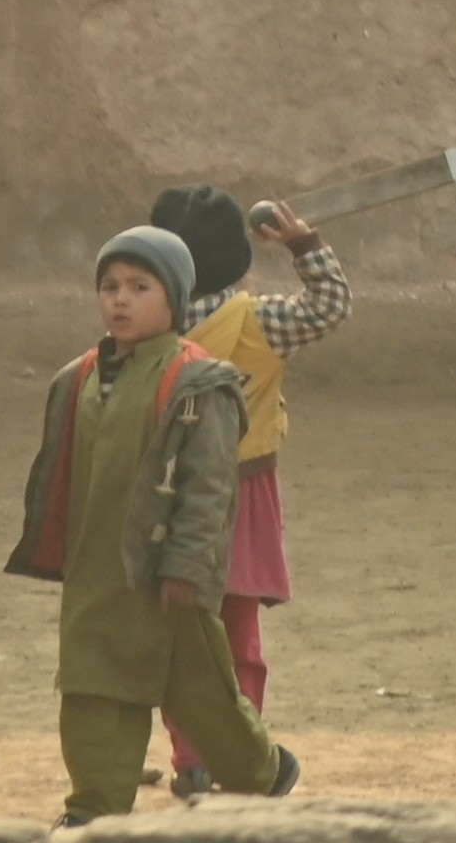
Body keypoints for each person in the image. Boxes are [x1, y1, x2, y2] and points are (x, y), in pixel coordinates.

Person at [4, 222, 294, 816]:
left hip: (166, 576)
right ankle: (95, 805)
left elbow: (209, 490)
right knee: (90, 686)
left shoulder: (199, 382)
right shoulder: (78, 378)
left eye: (140, 286)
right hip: (96, 571)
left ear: (176, 300)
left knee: (202, 695)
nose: (120, 299)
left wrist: (187, 568)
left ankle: (264, 772)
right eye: (109, 286)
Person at [143, 182, 344, 789]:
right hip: (246, 495)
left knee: (182, 637)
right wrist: (304, 244)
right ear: (237, 256)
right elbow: (330, 304)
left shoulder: (150, 328)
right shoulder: (261, 323)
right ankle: (244, 755)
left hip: (171, 498)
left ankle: (192, 761)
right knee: (240, 639)